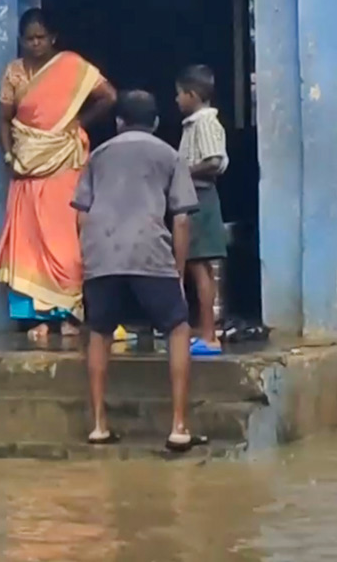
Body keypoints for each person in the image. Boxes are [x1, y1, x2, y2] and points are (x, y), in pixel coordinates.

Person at [72, 90, 205, 452]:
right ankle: (179, 425)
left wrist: (89, 256)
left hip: (102, 250)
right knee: (177, 327)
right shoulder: (169, 154)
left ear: (118, 122)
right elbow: (181, 219)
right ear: (157, 123)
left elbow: (81, 213)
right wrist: (176, 272)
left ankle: (99, 424)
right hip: (148, 247)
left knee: (98, 331)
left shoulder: (98, 155)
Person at [0, 8, 116, 339]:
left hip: (62, 163)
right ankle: (36, 318)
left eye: (41, 38)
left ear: (53, 38)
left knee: (64, 242)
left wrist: (77, 125)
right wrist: (8, 155)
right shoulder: (14, 73)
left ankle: (68, 315)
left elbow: (108, 97)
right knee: (28, 240)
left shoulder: (71, 66)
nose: (35, 44)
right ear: (21, 40)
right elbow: (3, 118)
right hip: (26, 168)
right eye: (29, 38)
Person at [176, 64, 229, 356]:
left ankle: (209, 335)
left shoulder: (205, 123)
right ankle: (205, 330)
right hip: (195, 198)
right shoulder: (195, 124)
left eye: (179, 94)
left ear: (192, 95)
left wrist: (183, 172)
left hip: (201, 198)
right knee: (198, 268)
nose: (176, 100)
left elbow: (213, 162)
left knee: (200, 269)